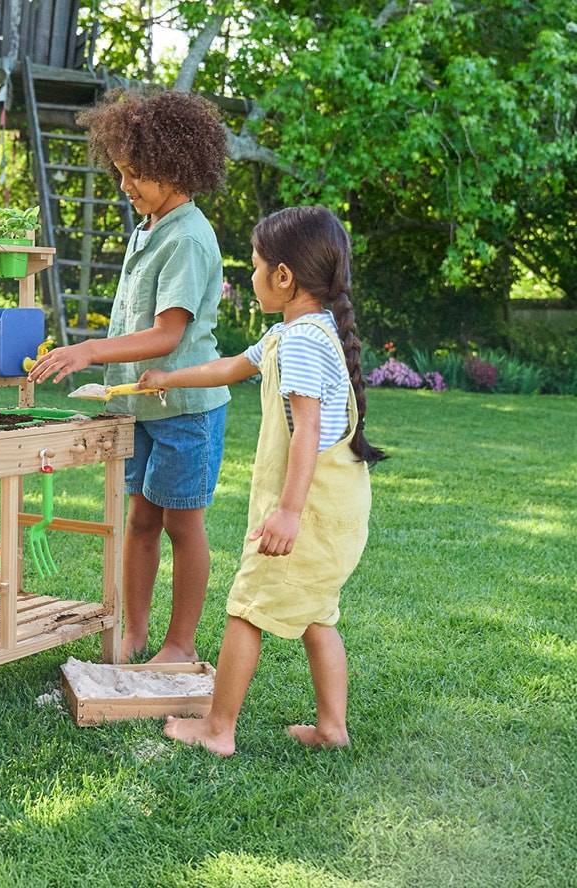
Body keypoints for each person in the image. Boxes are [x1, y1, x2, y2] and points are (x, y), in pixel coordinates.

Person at [139, 205, 385, 756]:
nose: (247, 278)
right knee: (318, 614)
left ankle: (218, 729)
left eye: (253, 266)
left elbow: (307, 431)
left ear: (283, 276)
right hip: (340, 505)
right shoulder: (297, 333)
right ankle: (332, 728)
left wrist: (289, 512)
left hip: (312, 509)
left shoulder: (300, 341)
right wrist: (169, 377)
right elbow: (231, 365)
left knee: (246, 607)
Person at [27, 88, 230, 664]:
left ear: (174, 168)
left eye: (136, 174)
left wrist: (90, 349)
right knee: (140, 520)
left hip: (186, 411)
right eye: (121, 172)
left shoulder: (188, 238)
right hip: (139, 405)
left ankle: (179, 644)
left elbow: (168, 336)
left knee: (183, 527)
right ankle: (134, 633)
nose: (125, 185)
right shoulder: (150, 226)